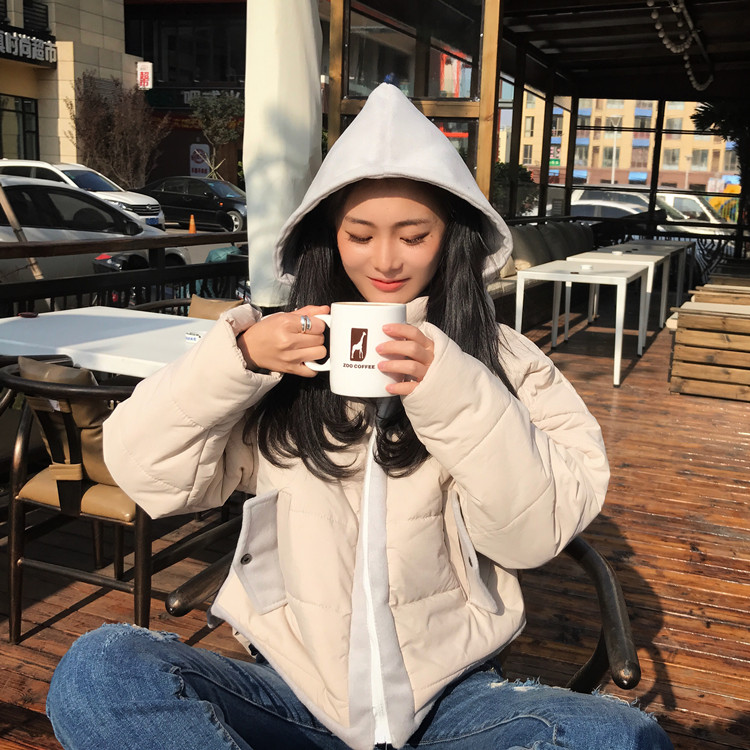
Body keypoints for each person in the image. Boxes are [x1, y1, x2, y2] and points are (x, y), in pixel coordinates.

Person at [46, 83, 673, 750]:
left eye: (414, 235)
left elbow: (532, 537)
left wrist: (451, 387)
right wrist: (239, 360)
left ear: (451, 238)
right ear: (329, 237)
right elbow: (148, 474)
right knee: (98, 671)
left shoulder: (505, 359)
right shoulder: (282, 355)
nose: (386, 260)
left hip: (452, 696)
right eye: (360, 235)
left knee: (616, 737)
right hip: (292, 687)